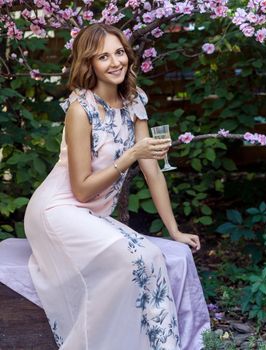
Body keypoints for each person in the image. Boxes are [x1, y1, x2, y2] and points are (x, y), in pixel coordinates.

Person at [24, 23, 209, 349]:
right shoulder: (81, 110)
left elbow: (153, 172)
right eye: (103, 56)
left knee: (151, 257)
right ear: (89, 64)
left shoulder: (134, 102)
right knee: (144, 257)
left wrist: (175, 230)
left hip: (91, 215)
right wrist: (130, 156)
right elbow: (81, 189)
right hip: (57, 210)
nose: (115, 62)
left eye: (119, 52)